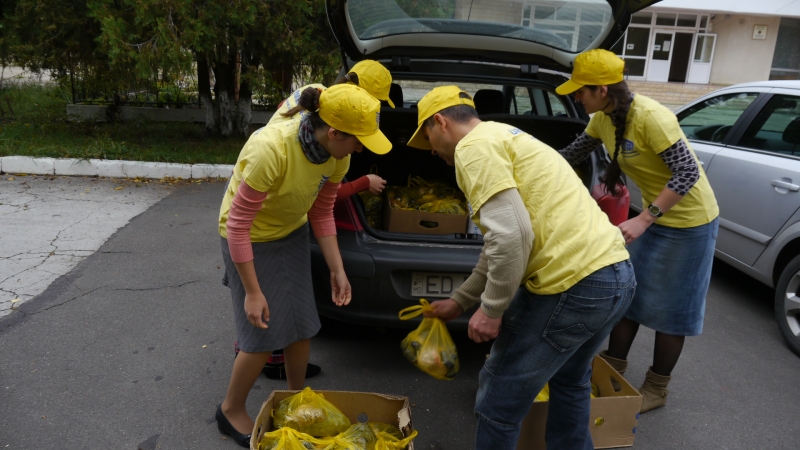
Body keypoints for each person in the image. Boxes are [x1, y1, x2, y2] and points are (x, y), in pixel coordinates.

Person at [409, 86, 635, 450]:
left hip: (571, 286)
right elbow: (500, 243)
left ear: (440, 121)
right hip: (614, 277)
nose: (431, 151)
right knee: (570, 382)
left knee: (499, 401)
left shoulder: (472, 148)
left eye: (428, 139)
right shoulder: (504, 136)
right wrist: (462, 300)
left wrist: (491, 309)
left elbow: (512, 237)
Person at [215, 84, 392, 447]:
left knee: (302, 324)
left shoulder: (338, 156)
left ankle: (296, 402)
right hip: (250, 238)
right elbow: (238, 225)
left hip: (290, 231)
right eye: (358, 141)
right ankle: (230, 409)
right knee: (263, 334)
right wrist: (252, 292)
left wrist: (337, 269)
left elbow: (322, 211)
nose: (360, 149)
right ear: (334, 132)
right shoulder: (271, 149)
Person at [555, 49, 719, 413]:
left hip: (689, 222)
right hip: (654, 218)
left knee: (672, 311)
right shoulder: (602, 118)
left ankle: (657, 388)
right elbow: (572, 154)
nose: (576, 97)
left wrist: (644, 218)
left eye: (580, 91)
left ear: (601, 90)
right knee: (629, 295)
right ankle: (612, 369)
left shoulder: (651, 117)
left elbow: (688, 173)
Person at [255, 59, 393, 380]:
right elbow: (320, 196)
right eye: (375, 103)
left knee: (277, 300)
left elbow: (320, 202)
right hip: (266, 217)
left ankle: (265, 356)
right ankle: (264, 357)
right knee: (264, 298)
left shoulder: (315, 96)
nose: (375, 112)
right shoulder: (301, 139)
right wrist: (363, 183)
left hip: (288, 214)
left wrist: (337, 268)